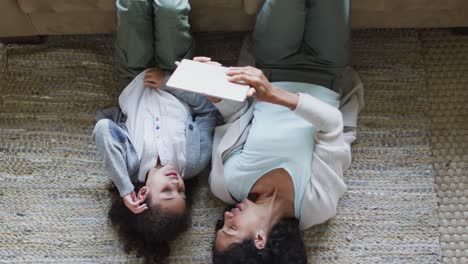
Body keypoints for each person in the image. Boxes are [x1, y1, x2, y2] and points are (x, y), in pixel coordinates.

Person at [208, 0, 364, 263]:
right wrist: (273, 95)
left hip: (272, 65)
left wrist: (211, 88)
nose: (226, 216)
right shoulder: (316, 205)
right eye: (232, 228)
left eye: (223, 224)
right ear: (260, 239)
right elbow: (333, 125)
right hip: (328, 71)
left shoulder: (227, 184)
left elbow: (233, 115)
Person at [93, 0, 219, 262]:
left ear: (142, 193)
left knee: (132, 7)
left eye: (167, 191)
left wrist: (124, 186)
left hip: (134, 74)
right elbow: (207, 111)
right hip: (177, 69)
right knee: (170, 9)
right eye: (182, 192)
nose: (176, 184)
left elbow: (104, 129)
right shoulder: (193, 161)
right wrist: (170, 83)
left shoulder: (130, 165)